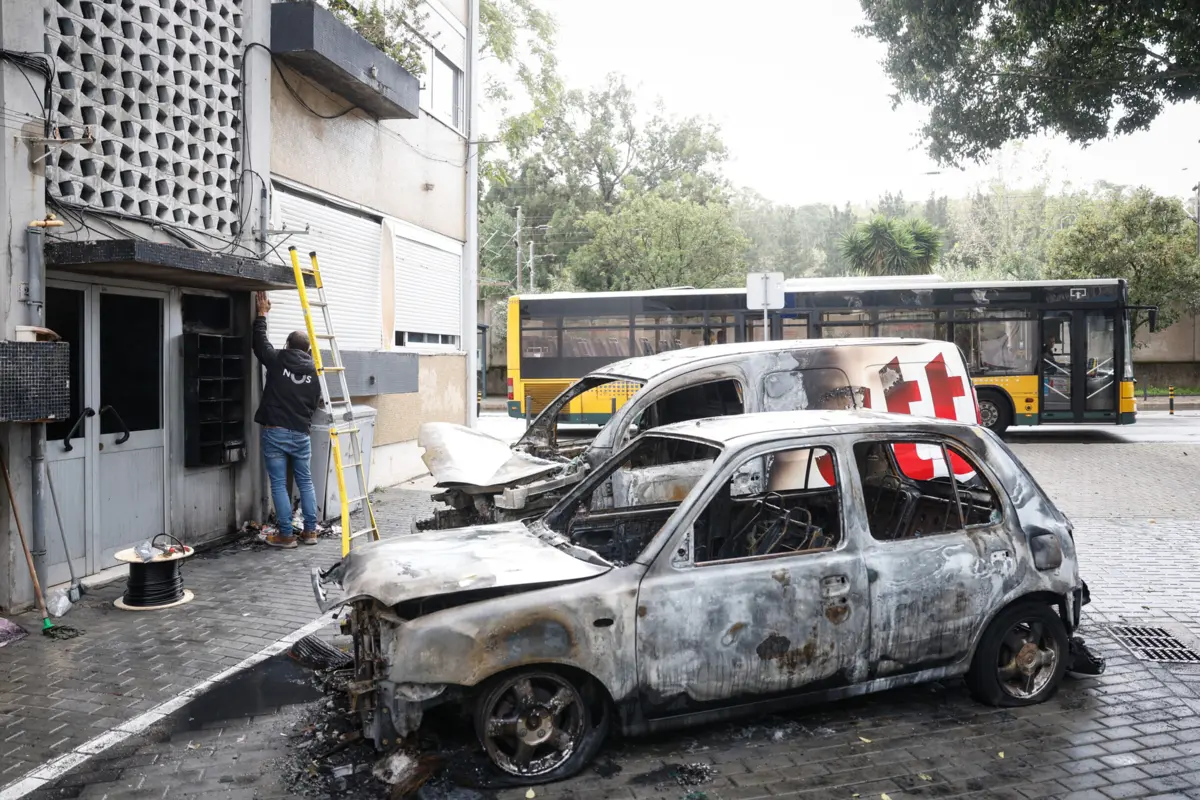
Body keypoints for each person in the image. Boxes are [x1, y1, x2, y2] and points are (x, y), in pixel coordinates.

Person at [252, 291, 322, 548]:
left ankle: (286, 534)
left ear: (288, 345)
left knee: (279, 484)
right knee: (305, 481)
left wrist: (262, 314)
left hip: (276, 431)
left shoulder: (278, 359)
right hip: (301, 433)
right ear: (308, 349)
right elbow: (315, 402)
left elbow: (260, 344)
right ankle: (310, 532)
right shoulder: (315, 371)